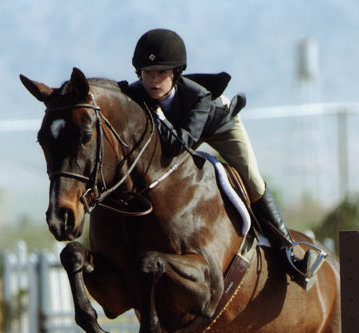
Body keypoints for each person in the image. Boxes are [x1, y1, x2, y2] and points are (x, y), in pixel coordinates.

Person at [127, 28, 325, 290]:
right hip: (179, 132)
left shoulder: (197, 96)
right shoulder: (135, 94)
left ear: (175, 73)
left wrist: (159, 117)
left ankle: (289, 254)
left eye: (161, 72)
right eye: (147, 73)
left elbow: (180, 144)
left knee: (252, 179)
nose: (153, 80)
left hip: (219, 126)